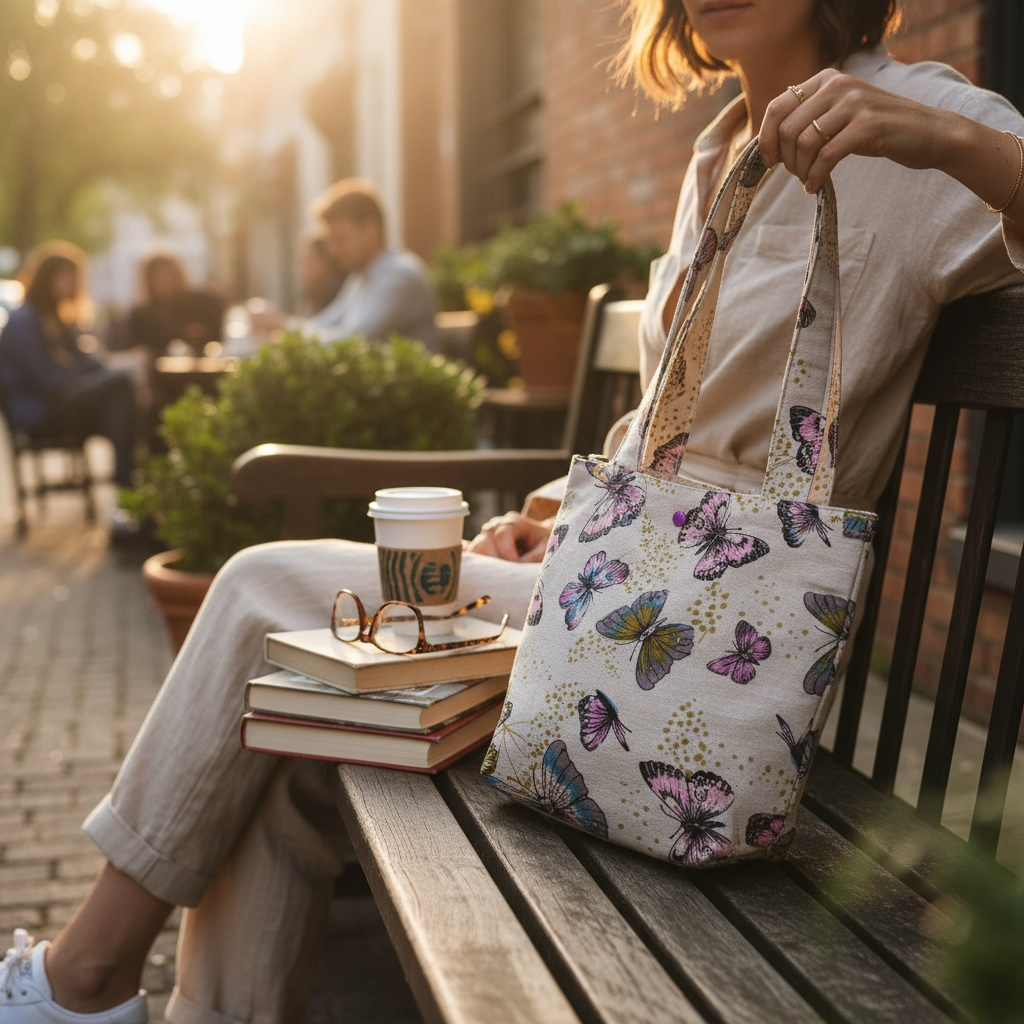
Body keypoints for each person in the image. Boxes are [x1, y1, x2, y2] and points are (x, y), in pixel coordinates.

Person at [2, 2, 1023, 1022]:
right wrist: (555, 512)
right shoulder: (719, 151)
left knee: (258, 587)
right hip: (604, 592)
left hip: (716, 647)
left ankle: (79, 979)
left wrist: (944, 141)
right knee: (295, 742)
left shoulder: (914, 119)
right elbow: (668, 415)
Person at [0, 242, 138, 494]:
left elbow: (89, 362)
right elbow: (46, 380)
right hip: (42, 412)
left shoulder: (59, 318)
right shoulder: (22, 320)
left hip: (66, 401)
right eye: (66, 277)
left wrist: (116, 364)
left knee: (121, 406)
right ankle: (126, 490)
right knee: (122, 383)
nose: (73, 284)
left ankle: (127, 492)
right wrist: (95, 378)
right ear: (46, 278)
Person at [252, 178, 439, 349]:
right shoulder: (360, 276)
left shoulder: (399, 275)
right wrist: (282, 326)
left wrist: (283, 327)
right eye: (330, 241)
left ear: (371, 231)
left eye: (340, 239)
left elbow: (353, 341)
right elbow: (326, 324)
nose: (333, 250)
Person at [127, 254, 225, 360]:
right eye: (159, 279)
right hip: (158, 369)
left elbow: (219, 337)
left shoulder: (202, 303)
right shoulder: (142, 315)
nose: (166, 282)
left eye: (169, 276)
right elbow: (137, 348)